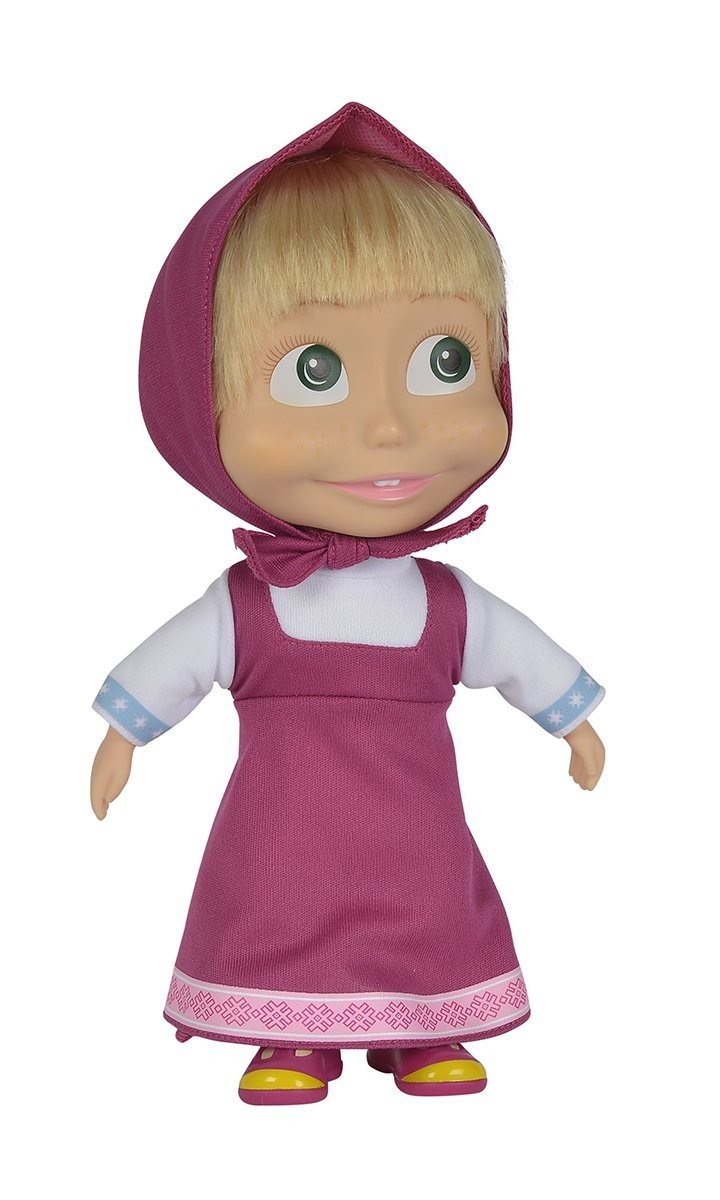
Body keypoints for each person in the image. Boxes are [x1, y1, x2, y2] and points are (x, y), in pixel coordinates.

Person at [90, 101, 605, 1106]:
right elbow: (174, 665)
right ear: (200, 400)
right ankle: (291, 1034)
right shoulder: (246, 603)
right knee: (279, 903)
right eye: (315, 371)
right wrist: (124, 736)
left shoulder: (446, 601)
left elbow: (517, 656)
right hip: (285, 825)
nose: (389, 427)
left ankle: (424, 1026)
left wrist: (572, 723)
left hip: (416, 824)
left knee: (427, 901)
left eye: (445, 362)